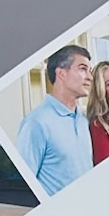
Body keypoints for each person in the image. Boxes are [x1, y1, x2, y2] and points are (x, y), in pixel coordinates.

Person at [16, 44, 94, 196]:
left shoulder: (83, 120)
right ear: (61, 73)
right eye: (83, 68)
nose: (90, 77)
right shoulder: (36, 122)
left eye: (89, 71)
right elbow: (24, 186)